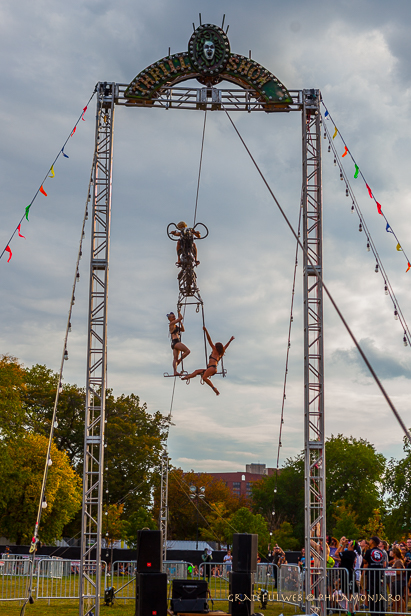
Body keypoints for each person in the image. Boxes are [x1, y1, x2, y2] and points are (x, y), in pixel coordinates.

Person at [181, 327, 234, 395]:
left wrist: (206, 331)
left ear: (216, 347)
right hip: (212, 368)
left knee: (204, 378)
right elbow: (225, 347)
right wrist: (230, 341)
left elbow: (209, 340)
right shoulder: (220, 353)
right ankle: (187, 377)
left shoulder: (215, 350)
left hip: (212, 368)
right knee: (197, 371)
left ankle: (214, 388)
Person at [363, 536, 386, 616]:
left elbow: (365, 561)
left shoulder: (369, 551)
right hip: (379, 575)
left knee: (372, 595)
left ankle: (374, 613)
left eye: (370, 540)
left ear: (372, 542)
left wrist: (365, 551)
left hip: (372, 576)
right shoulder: (381, 551)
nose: (369, 541)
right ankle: (381, 612)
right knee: (379, 594)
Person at [167, 310, 190, 375]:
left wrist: (180, 322)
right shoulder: (171, 324)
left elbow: (183, 329)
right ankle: (179, 361)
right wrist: (179, 312)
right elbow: (180, 318)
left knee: (175, 358)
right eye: (172, 317)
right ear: (170, 319)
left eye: (174, 316)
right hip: (176, 342)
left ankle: (175, 372)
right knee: (187, 351)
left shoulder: (175, 326)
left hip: (174, 343)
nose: (174, 317)